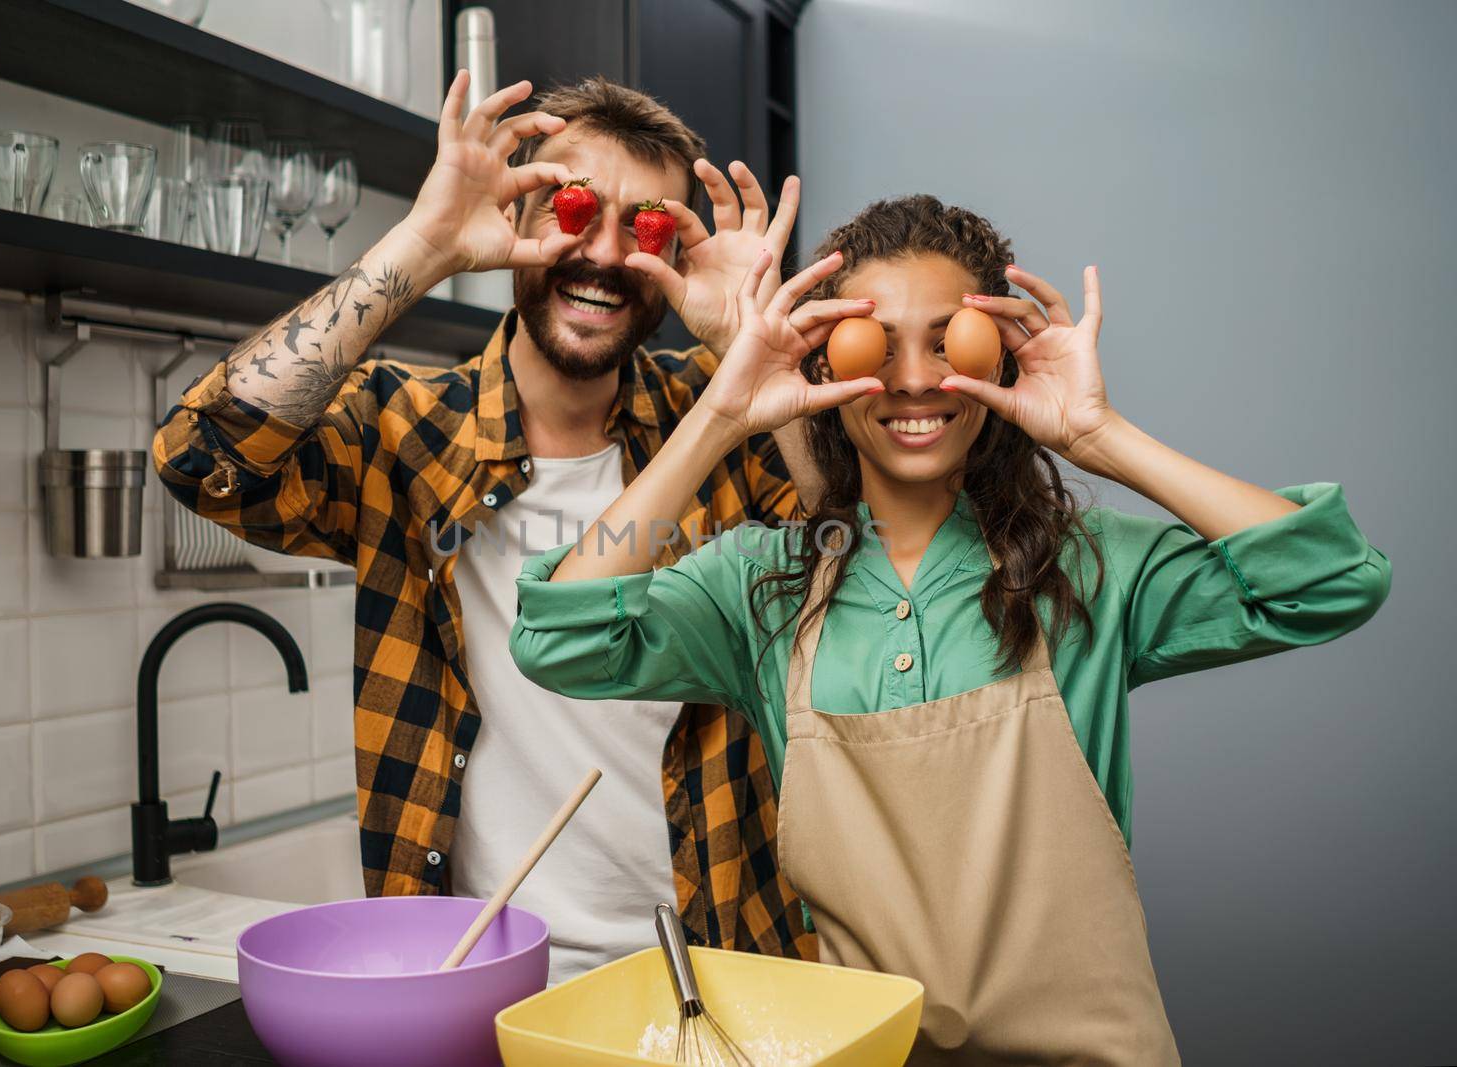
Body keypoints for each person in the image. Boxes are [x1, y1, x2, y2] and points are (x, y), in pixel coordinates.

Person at [509, 194, 1390, 1060]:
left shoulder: (1090, 568)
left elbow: (1331, 578)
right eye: (874, 342)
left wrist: (1100, 433)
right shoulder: (762, 585)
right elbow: (562, 637)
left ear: (999, 361)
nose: (916, 377)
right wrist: (722, 414)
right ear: (823, 363)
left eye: (948, 339)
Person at [154, 72, 867, 981]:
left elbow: (861, 565)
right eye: (572, 209)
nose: (604, 255)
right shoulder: (404, 430)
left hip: (721, 969)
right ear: (523, 217)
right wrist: (424, 246)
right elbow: (197, 457)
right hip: (479, 984)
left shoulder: (715, 419)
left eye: (646, 226)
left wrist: (741, 346)